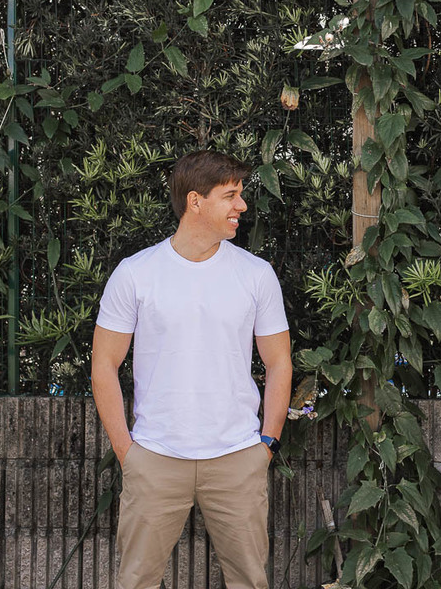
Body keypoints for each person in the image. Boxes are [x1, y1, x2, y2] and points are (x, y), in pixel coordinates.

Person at [91, 150, 292, 589]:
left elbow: (279, 362)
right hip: (155, 457)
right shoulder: (136, 274)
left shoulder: (256, 275)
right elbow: (104, 364)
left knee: (250, 582)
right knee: (136, 582)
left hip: (238, 457)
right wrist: (128, 453)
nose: (242, 205)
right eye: (231, 195)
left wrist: (267, 444)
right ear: (195, 201)